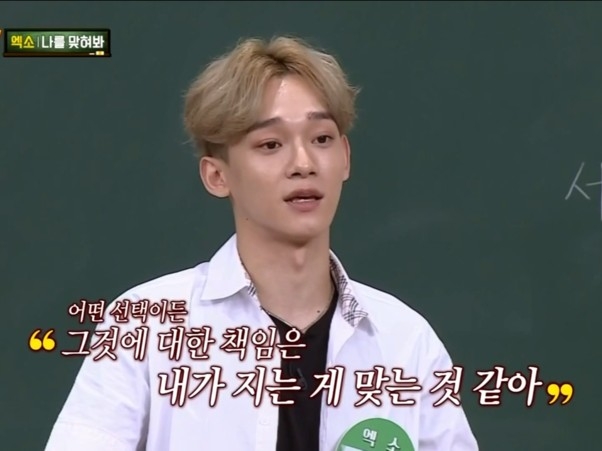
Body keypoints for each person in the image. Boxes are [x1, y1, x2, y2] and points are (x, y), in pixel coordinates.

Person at [45, 35, 479, 451]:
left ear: (345, 158)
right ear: (217, 176)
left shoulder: (405, 341)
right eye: (271, 144)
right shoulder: (147, 327)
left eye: (322, 139)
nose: (304, 163)